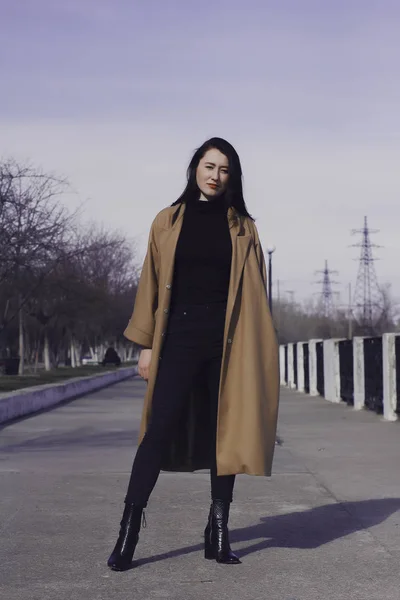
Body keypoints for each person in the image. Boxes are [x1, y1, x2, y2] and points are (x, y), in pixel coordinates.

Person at [107, 137, 279, 571]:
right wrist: (146, 345)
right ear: (195, 168)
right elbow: (150, 283)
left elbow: (257, 295)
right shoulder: (166, 221)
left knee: (225, 434)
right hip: (179, 337)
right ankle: (129, 530)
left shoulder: (243, 227)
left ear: (231, 177)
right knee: (157, 431)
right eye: (209, 166)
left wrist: (260, 351)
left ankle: (218, 531)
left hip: (227, 341)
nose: (215, 176)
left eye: (224, 169)